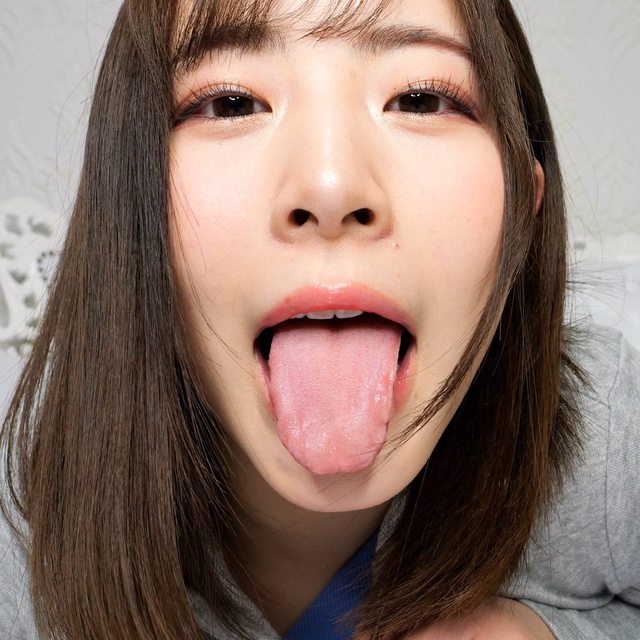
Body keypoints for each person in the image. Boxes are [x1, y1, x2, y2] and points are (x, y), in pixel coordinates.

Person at [0, 0, 638, 638]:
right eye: (231, 104)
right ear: (127, 198)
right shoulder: (23, 518)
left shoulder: (604, 431)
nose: (331, 185)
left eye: (419, 99)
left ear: (524, 205)